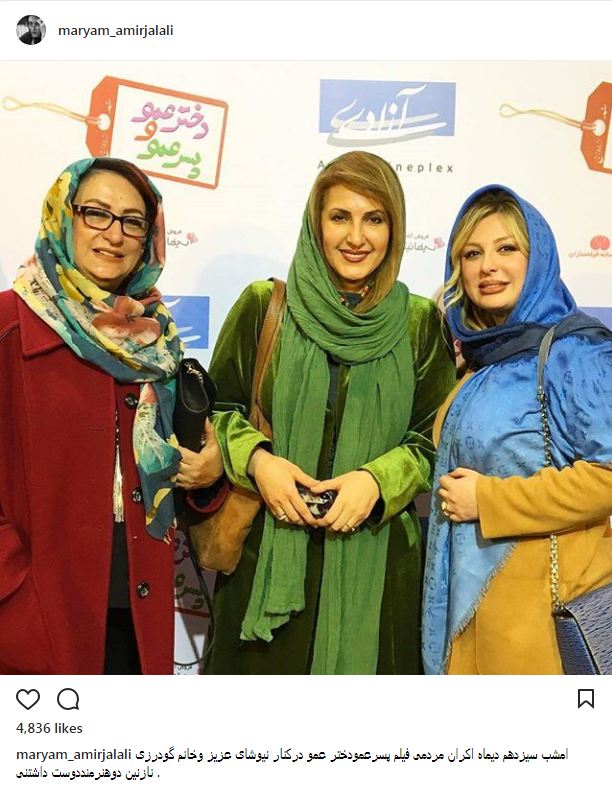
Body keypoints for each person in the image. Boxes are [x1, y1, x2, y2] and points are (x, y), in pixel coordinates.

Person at [205, 151, 456, 675]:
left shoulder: (418, 323)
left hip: (378, 568)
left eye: (374, 219)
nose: (356, 237)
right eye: (340, 216)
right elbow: (218, 411)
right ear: (316, 223)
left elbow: (433, 439)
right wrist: (259, 462)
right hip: (266, 559)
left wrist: (377, 481)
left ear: (395, 228)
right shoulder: (264, 305)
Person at [0, 157, 222, 675]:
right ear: (64, 216)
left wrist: (209, 476)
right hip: (36, 617)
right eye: (96, 213)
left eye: (133, 221)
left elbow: (171, 468)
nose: (114, 234)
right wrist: (15, 593)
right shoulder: (10, 325)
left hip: (138, 610)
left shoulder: (154, 336)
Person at [422, 185, 612, 675]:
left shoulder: (577, 352)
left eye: (507, 248)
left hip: (538, 623)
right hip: (471, 611)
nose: (488, 266)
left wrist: (489, 501)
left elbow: (608, 478)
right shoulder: (480, 356)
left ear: (538, 258)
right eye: (472, 254)